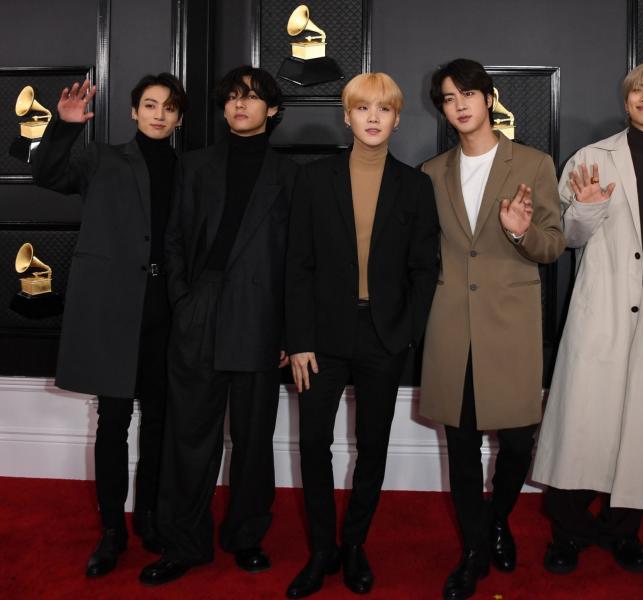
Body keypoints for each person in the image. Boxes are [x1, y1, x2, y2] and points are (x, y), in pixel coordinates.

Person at [531, 62, 643, 574]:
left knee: (639, 433)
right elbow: (567, 238)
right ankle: (568, 533)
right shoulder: (590, 158)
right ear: (626, 102)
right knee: (582, 426)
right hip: (598, 313)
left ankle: (624, 533)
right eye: (638, 90)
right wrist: (587, 207)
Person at [139, 66, 298, 586]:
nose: (239, 105)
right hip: (200, 310)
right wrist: (184, 300)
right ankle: (183, 543)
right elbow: (176, 239)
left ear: (271, 110)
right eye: (232, 97)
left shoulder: (291, 175)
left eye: (251, 98)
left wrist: (290, 333)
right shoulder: (196, 165)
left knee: (254, 441)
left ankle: (246, 537)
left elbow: (299, 262)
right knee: (189, 437)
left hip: (260, 317)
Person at [283, 72, 439, 598]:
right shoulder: (312, 179)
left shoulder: (416, 186)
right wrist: (299, 338)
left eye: (384, 109)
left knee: (372, 446)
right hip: (322, 338)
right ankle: (322, 550)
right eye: (362, 108)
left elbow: (424, 269)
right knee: (313, 445)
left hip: (384, 337)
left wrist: (408, 331)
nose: (373, 117)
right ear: (346, 116)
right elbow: (297, 267)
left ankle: (354, 546)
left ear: (397, 118)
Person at [419, 58, 565, 600]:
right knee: (459, 445)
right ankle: (474, 550)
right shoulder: (431, 173)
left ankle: (498, 517)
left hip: (511, 326)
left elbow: (553, 245)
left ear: (488, 97)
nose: (458, 104)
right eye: (448, 98)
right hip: (451, 325)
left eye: (468, 94)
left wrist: (524, 233)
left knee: (518, 442)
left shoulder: (533, 162)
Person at [31, 74, 186, 577]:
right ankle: (112, 530)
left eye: (168, 107)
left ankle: (151, 519)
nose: (158, 114)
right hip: (117, 310)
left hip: (170, 310)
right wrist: (64, 127)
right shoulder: (103, 159)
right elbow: (47, 175)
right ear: (133, 112)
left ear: (179, 117)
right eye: (149, 105)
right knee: (114, 423)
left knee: (162, 421)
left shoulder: (191, 170)